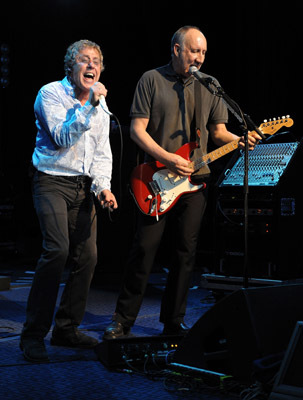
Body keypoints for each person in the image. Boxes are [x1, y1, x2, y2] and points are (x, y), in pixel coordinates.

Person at [103, 26, 261, 339]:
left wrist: (240, 139)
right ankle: (122, 320)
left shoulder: (211, 85)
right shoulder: (151, 79)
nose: (199, 58)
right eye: (193, 51)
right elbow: (137, 130)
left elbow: (218, 132)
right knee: (144, 250)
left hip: (196, 182)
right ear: (176, 49)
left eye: (203, 52)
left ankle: (173, 322)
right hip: (155, 181)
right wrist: (169, 158)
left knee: (185, 253)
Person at [20, 39, 118, 362]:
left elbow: (102, 153)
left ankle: (66, 328)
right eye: (84, 60)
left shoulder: (100, 107)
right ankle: (33, 335)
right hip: (50, 180)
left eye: (96, 62)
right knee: (57, 249)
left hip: (83, 186)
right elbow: (62, 138)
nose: (91, 66)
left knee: (88, 256)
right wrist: (90, 105)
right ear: (70, 66)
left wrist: (103, 186)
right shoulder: (50, 94)